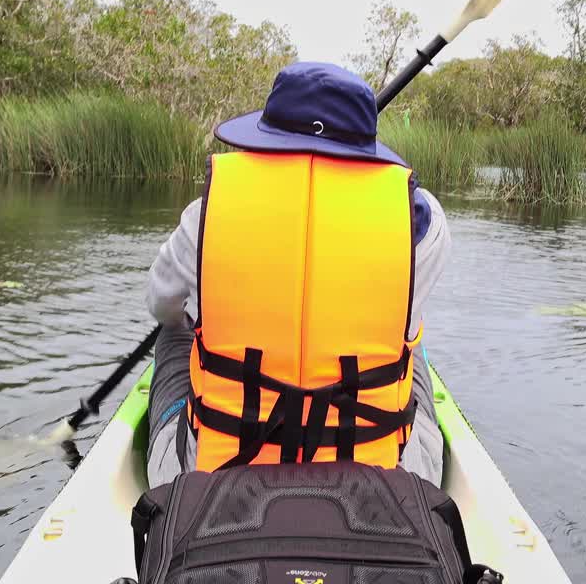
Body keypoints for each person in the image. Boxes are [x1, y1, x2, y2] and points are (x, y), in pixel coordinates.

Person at [144, 61, 451, 487]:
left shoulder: (206, 215)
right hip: (391, 481)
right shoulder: (424, 223)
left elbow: (159, 303)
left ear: (267, 137)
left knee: (173, 331)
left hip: (208, 480)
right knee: (408, 340)